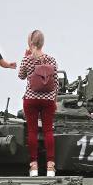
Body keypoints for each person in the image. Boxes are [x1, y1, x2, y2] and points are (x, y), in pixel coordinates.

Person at [17, 30, 58, 176]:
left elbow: (21, 76)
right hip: (48, 100)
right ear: (43, 43)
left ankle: (33, 166)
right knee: (48, 131)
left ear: (30, 43)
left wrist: (26, 56)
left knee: (32, 132)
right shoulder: (52, 60)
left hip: (31, 99)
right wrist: (54, 99)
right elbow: (56, 83)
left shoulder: (27, 59)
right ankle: (50, 166)